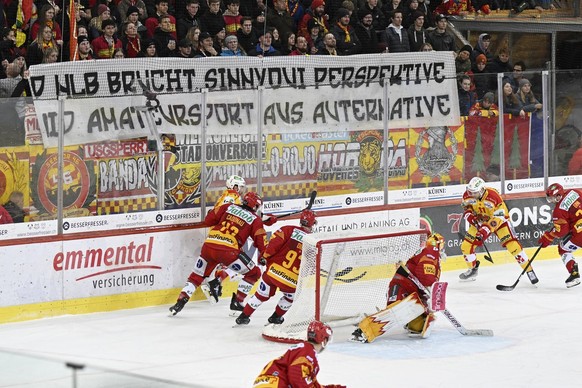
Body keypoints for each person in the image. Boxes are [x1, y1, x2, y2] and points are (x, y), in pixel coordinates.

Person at [169, 191, 269, 316]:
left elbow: (208, 220)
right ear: (256, 206)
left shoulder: (228, 207)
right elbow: (261, 243)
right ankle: (238, 301)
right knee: (254, 273)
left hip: (209, 246)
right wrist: (264, 255)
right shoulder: (256, 220)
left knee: (196, 276)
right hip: (228, 251)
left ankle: (180, 302)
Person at [351, 233, 445, 343]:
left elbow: (424, 277)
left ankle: (415, 323)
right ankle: (363, 332)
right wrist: (430, 293)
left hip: (410, 290)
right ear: (438, 244)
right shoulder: (431, 252)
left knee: (417, 320)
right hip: (402, 287)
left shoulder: (429, 253)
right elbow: (427, 278)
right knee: (395, 312)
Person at [235, 209, 318, 326]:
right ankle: (276, 317)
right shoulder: (314, 241)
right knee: (291, 298)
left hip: (272, 273)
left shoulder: (288, 229)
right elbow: (311, 265)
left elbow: (273, 245)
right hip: (291, 281)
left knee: (260, 295)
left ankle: (243, 317)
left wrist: (264, 256)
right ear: (313, 223)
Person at [459, 177, 537, 283]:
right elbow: (466, 207)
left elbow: (499, 217)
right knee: (466, 246)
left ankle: (529, 270)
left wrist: (485, 230)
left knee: (513, 246)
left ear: (482, 190)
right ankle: (473, 270)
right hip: (480, 221)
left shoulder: (493, 196)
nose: (471, 194)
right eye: (470, 191)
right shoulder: (467, 195)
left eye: (474, 192)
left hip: (500, 222)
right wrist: (470, 216)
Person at [253, 321, 345, 388]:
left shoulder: (305, 351)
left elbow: (307, 383)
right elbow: (296, 376)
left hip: (269, 383)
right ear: (323, 340)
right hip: (274, 384)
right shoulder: (307, 351)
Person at [538, 184, 581, 288]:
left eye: (552, 198)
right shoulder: (574, 191)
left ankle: (574, 275)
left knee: (563, 249)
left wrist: (547, 237)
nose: (551, 200)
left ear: (558, 196)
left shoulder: (558, 211)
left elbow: (561, 231)